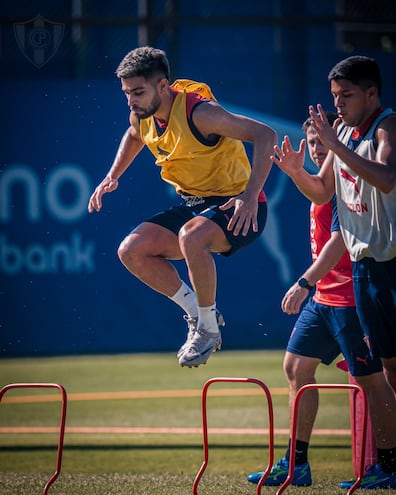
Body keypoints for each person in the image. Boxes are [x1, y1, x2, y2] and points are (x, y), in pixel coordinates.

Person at [88, 46, 277, 368]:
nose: (131, 101)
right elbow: (135, 135)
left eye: (138, 91)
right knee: (131, 250)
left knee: (192, 236)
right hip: (195, 205)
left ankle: (207, 328)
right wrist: (112, 175)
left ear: (164, 87)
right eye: (126, 93)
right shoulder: (141, 115)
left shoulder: (200, 113)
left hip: (241, 206)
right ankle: (198, 313)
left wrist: (250, 194)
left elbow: (264, 134)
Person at [269, 55, 396, 489]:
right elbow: (323, 190)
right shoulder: (341, 132)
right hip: (357, 276)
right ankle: (306, 463)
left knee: (384, 375)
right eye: (334, 97)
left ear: (372, 94)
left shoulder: (386, 128)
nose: (337, 105)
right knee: (305, 368)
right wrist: (295, 171)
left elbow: (387, 178)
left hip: (386, 269)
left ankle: (390, 463)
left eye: (346, 96)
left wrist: (334, 145)